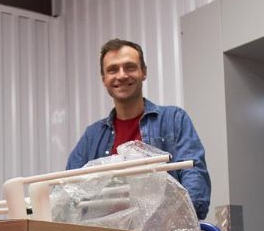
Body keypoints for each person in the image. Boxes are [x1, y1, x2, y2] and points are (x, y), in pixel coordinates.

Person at [67, 38, 212, 219]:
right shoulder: (92, 136)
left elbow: (194, 181)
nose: (121, 75)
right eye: (112, 70)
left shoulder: (174, 120)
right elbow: (68, 190)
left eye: (129, 67)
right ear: (104, 79)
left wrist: (173, 222)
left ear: (143, 72)